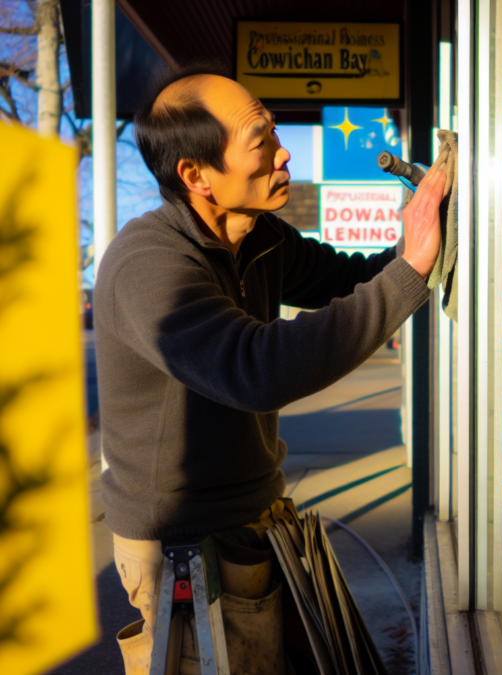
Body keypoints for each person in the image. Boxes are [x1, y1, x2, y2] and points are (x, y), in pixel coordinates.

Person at [94, 63, 446, 673]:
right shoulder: (147, 265)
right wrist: (411, 268)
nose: (284, 155)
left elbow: (356, 280)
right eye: (261, 141)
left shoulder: (258, 237)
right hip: (181, 547)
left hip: (258, 520)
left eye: (275, 132)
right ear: (196, 175)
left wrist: (435, 228)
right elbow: (257, 367)